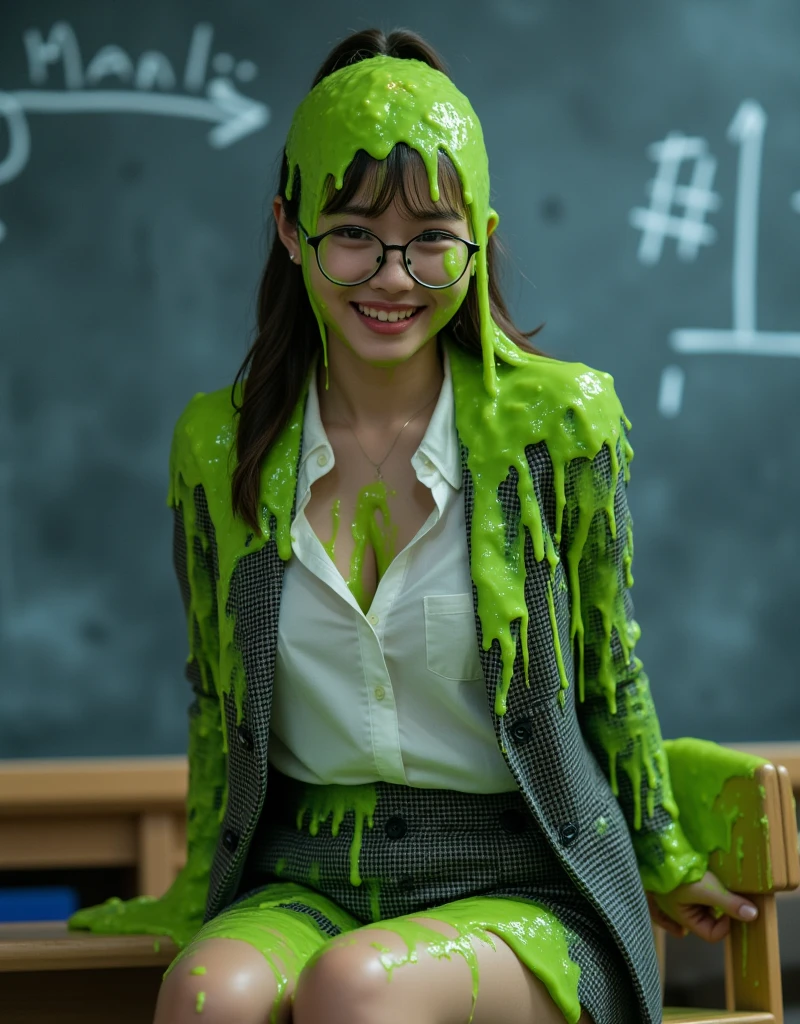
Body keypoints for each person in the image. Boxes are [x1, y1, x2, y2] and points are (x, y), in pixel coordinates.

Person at [68, 27, 759, 1024]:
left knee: (357, 985)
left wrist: (656, 851)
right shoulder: (217, 447)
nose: (391, 277)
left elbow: (609, 671)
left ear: (477, 236)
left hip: (525, 885)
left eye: (431, 239)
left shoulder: (555, 427)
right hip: (304, 880)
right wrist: (192, 893)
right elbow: (215, 699)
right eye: (352, 231)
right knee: (207, 992)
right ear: (289, 227)